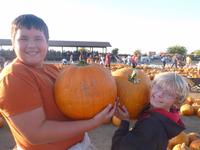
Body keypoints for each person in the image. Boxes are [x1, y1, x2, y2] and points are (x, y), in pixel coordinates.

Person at [0, 14, 116, 150]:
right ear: (13, 44)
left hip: (79, 143)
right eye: (23, 39)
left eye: (38, 39)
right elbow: (36, 134)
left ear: (47, 43)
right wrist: (93, 123)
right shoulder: (14, 76)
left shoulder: (52, 69)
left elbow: (79, 101)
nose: (31, 45)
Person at [111, 72, 189, 150]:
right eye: (159, 87)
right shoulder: (165, 118)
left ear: (176, 103)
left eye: (169, 94)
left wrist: (125, 122)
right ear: (152, 85)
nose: (160, 94)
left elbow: (118, 146)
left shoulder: (151, 125)